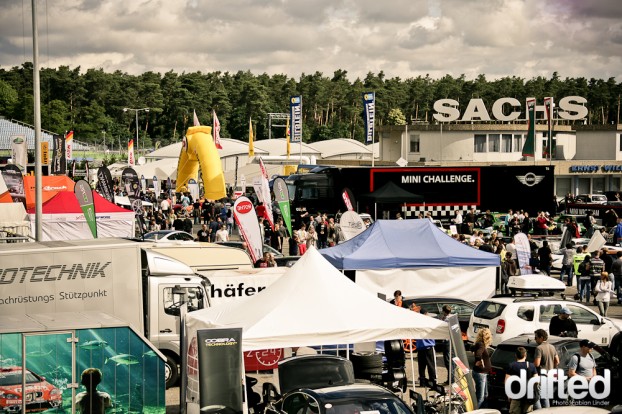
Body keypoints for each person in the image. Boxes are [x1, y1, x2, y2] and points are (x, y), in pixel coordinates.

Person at [504, 347, 538, 414]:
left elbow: (507, 381)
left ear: (515, 355)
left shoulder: (512, 366)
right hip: (528, 395)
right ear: (525, 355)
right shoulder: (531, 365)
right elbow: (536, 380)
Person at [533, 329, 559, 409]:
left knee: (538, 397)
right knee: (546, 396)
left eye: (536, 337)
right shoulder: (552, 347)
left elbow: (537, 363)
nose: (535, 339)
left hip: (541, 375)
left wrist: (530, 365)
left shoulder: (539, 348)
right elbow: (557, 361)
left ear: (541, 337)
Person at [471, 327, 492, 409]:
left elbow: (472, 348)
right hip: (480, 374)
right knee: (480, 397)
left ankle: (484, 410)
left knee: (485, 395)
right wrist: (479, 362)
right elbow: (478, 355)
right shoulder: (481, 345)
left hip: (482, 374)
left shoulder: (479, 344)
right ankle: (475, 411)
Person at [416, 311, 437, 388]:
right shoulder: (429, 323)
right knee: (430, 365)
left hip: (421, 347)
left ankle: (423, 381)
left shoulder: (418, 324)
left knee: (421, 366)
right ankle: (432, 381)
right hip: (428, 347)